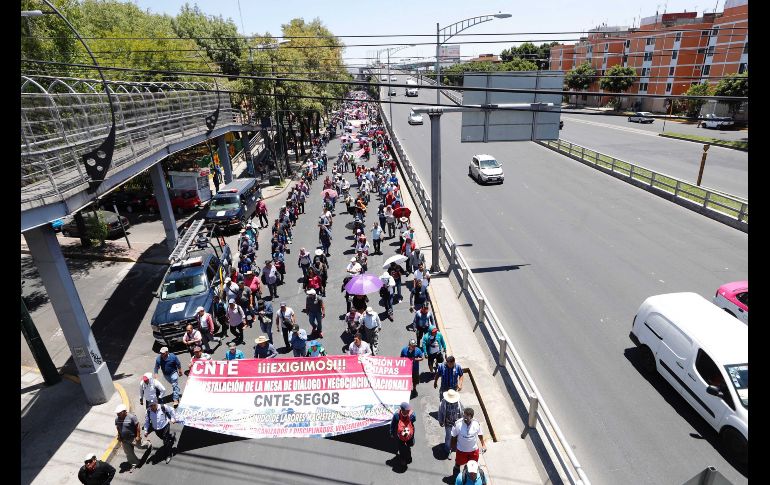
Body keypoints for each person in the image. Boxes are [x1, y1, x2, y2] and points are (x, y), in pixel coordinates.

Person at [450, 408, 487, 477]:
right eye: (464, 416)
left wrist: (483, 444)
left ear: (471, 417)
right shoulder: (458, 424)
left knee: (472, 467)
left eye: (467, 417)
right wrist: (452, 447)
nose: (465, 418)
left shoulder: (476, 424)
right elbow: (453, 436)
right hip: (461, 450)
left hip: (473, 451)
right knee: (458, 464)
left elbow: (480, 434)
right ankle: (455, 479)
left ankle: (468, 479)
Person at [114, 404, 150, 473]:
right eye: (117, 413)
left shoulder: (131, 417)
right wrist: (119, 435)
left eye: (119, 413)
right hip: (124, 439)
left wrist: (138, 436)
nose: (117, 414)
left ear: (124, 411)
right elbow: (118, 427)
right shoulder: (117, 419)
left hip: (133, 437)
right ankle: (135, 463)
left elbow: (137, 426)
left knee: (140, 446)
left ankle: (148, 444)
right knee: (128, 452)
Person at [143, 400, 178, 464]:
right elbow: (147, 422)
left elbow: (172, 410)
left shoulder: (162, 407)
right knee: (163, 438)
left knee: (165, 442)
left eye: (153, 405)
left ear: (156, 404)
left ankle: (169, 455)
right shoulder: (148, 411)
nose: (152, 407)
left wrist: (173, 418)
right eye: (150, 406)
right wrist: (146, 431)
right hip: (157, 429)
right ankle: (171, 436)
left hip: (165, 426)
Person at [439, 389, 465, 458]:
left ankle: (454, 447)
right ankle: (448, 450)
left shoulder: (458, 402)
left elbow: (462, 410)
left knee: (456, 436)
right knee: (448, 437)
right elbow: (440, 412)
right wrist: (440, 421)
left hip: (457, 423)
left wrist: (463, 420)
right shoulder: (443, 402)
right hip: (448, 423)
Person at [389, 402, 416, 466]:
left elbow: (414, 420)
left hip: (409, 432)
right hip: (401, 435)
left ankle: (408, 447)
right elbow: (392, 424)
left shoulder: (412, 414)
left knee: (409, 444)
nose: (408, 411)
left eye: (409, 410)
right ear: (402, 410)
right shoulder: (396, 415)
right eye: (407, 410)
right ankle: (403, 458)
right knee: (401, 447)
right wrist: (391, 432)